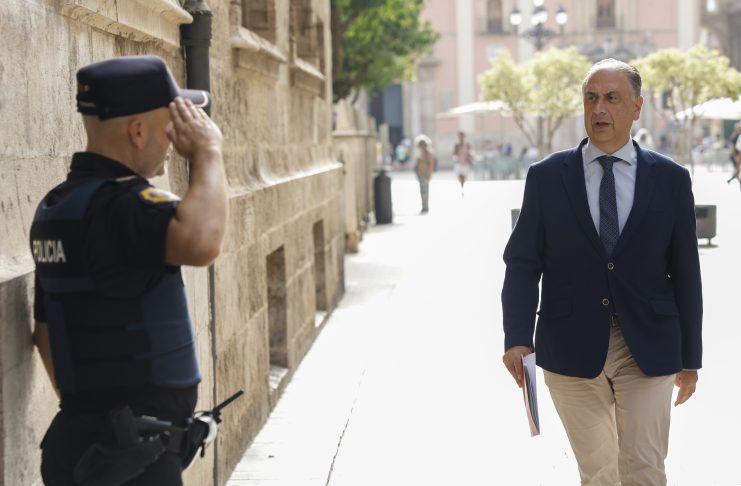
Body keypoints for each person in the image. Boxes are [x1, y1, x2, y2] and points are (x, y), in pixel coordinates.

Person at [501, 59, 702, 486]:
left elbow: (686, 272)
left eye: (612, 98)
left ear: (637, 107)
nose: (599, 109)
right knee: (599, 472)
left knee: (644, 467)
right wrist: (517, 337)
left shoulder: (671, 179)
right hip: (569, 347)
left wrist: (691, 359)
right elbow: (522, 263)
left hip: (647, 344)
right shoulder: (546, 178)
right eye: (591, 98)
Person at [30, 55, 226, 485]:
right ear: (138, 132)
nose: (174, 139)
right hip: (133, 460)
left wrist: (97, 412)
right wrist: (209, 153)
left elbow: (46, 333)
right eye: (170, 126)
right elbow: (203, 241)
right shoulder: (126, 206)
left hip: (84, 445)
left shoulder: (59, 207)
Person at [414, 134, 435, 213]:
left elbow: (431, 165)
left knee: (425, 191)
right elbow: (417, 165)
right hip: (420, 174)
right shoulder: (420, 154)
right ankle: (424, 206)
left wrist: (429, 174)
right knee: (422, 191)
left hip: (425, 174)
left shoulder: (428, 153)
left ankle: (425, 207)